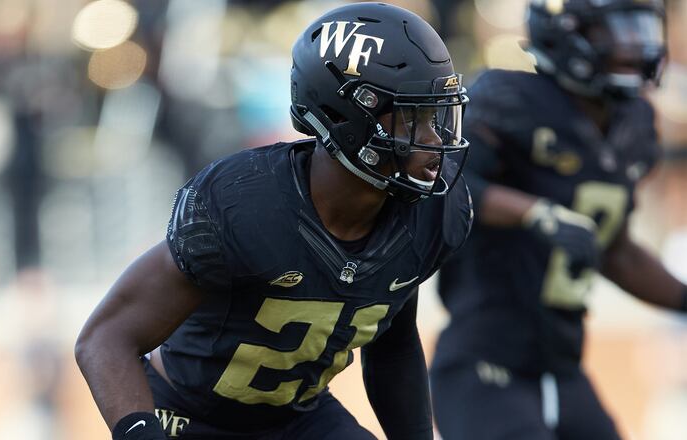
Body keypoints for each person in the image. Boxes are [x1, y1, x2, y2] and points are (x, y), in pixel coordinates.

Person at [75, 3, 472, 439]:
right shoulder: (247, 206)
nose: (435, 140)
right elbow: (106, 337)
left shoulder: (432, 210)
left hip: (299, 419)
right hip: (192, 416)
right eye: (413, 118)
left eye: (435, 116)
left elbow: (393, 344)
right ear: (346, 118)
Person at [429, 0, 686, 439]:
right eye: (617, 31)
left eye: (642, 29)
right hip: (484, 362)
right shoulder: (509, 100)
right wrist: (535, 213)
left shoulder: (634, 122)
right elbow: (446, 188)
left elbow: (617, 252)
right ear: (565, 31)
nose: (635, 46)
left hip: (563, 366)